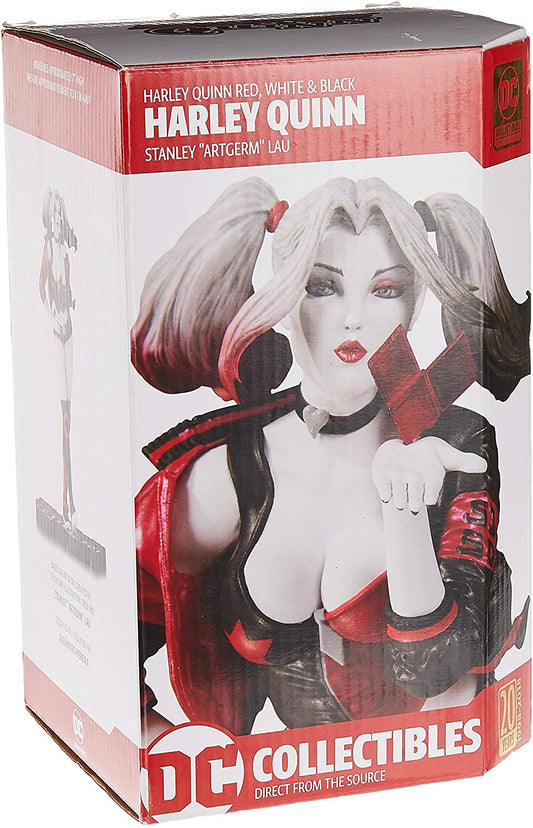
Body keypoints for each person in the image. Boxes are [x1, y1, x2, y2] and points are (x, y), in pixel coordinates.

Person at [132, 176, 529, 739]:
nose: (353, 318)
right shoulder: (228, 473)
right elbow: (109, 628)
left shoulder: (458, 444)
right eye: (322, 287)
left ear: (413, 305)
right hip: (288, 779)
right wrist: (166, 749)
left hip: (436, 768)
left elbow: (438, 669)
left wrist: (405, 510)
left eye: (385, 289)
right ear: (283, 300)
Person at [40, 188, 78, 527]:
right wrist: (53, 313)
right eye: (52, 214)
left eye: (59, 214)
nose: (56, 219)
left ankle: (71, 501)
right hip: (57, 327)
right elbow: (43, 287)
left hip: (69, 327)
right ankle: (66, 501)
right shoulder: (49, 249)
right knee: (63, 413)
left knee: (70, 414)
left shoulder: (65, 249)